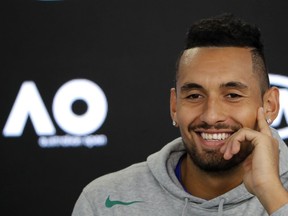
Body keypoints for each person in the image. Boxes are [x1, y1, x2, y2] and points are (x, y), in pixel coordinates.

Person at [72, 14, 288, 215]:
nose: (211, 116)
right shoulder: (103, 201)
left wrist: (270, 192)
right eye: (194, 96)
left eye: (232, 95)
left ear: (270, 105)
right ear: (174, 106)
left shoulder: (278, 194)